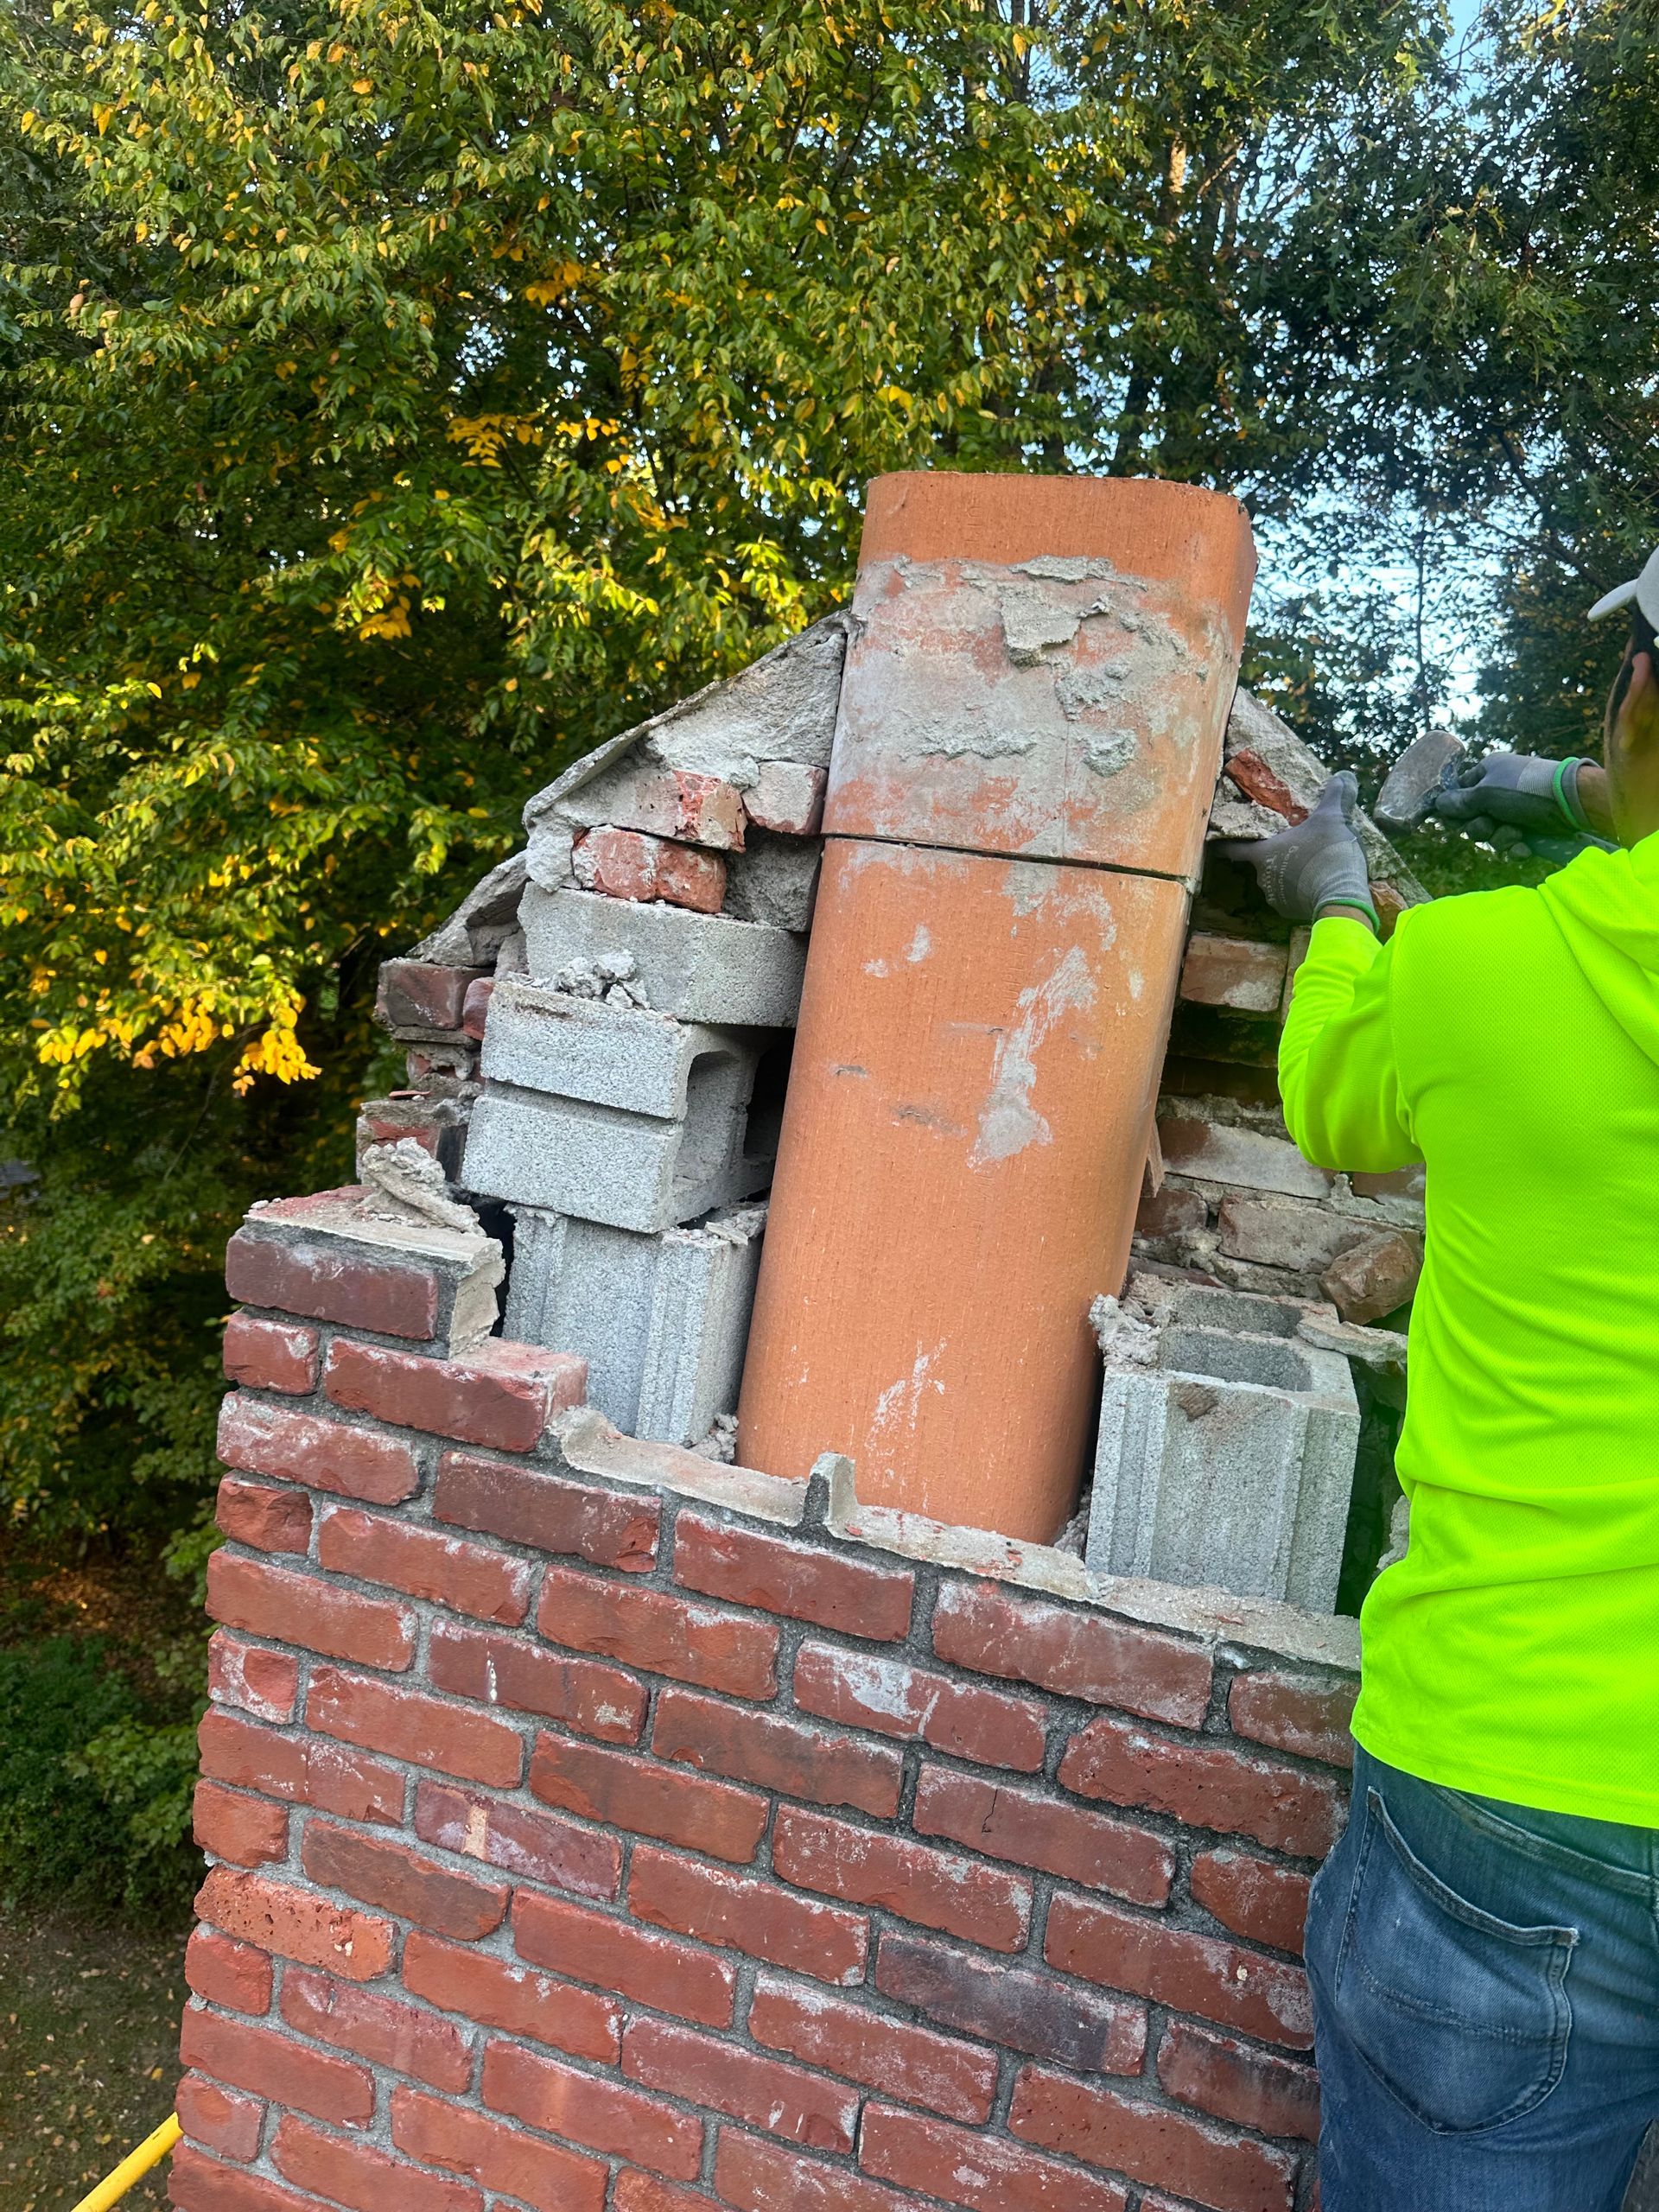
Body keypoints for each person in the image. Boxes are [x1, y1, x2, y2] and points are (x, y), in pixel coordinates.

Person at [1218, 569, 1659, 2212]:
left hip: (1516, 1777)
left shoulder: (1478, 969)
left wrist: (1335, 900)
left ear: (1635, 695)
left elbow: (1334, 1108)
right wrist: (1528, 782)